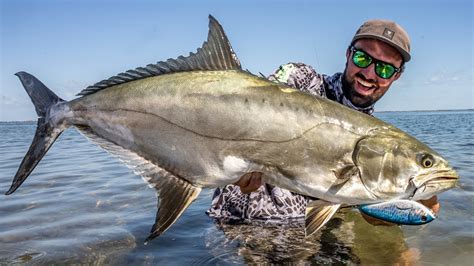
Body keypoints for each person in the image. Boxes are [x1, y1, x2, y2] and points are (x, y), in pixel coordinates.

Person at [206, 19, 439, 225]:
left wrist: (395, 206)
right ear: (348, 54)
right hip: (239, 227)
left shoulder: (379, 143)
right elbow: (247, 108)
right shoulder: (300, 80)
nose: (369, 73)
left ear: (396, 76)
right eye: (362, 58)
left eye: (385, 69)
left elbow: (366, 210)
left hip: (307, 237)